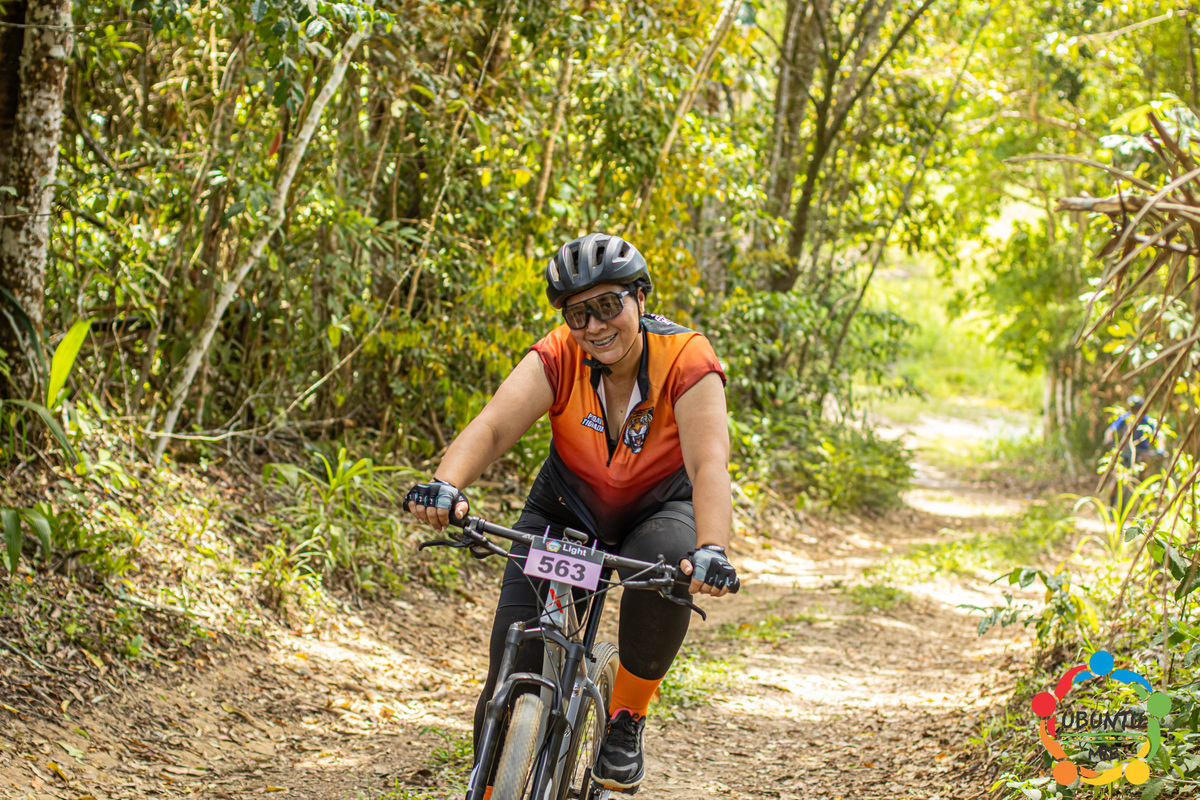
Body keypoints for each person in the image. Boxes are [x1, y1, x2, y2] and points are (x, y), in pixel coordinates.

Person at [404, 232, 738, 794]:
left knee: (668, 563)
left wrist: (712, 550)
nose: (595, 326)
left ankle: (626, 716)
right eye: (578, 314)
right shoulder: (558, 354)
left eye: (608, 305)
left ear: (640, 297)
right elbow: (493, 427)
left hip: (658, 511)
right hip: (566, 507)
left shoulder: (687, 358)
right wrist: (445, 485)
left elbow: (709, 463)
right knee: (512, 669)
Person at [1103, 394, 1163, 467]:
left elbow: (1159, 435)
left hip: (1142, 451)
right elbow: (1110, 431)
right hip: (1126, 451)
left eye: (1138, 409)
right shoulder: (1125, 418)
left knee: (1144, 465)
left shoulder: (1148, 421)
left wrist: (1161, 449)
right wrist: (1109, 441)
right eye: (1133, 409)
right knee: (1117, 466)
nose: (1135, 412)